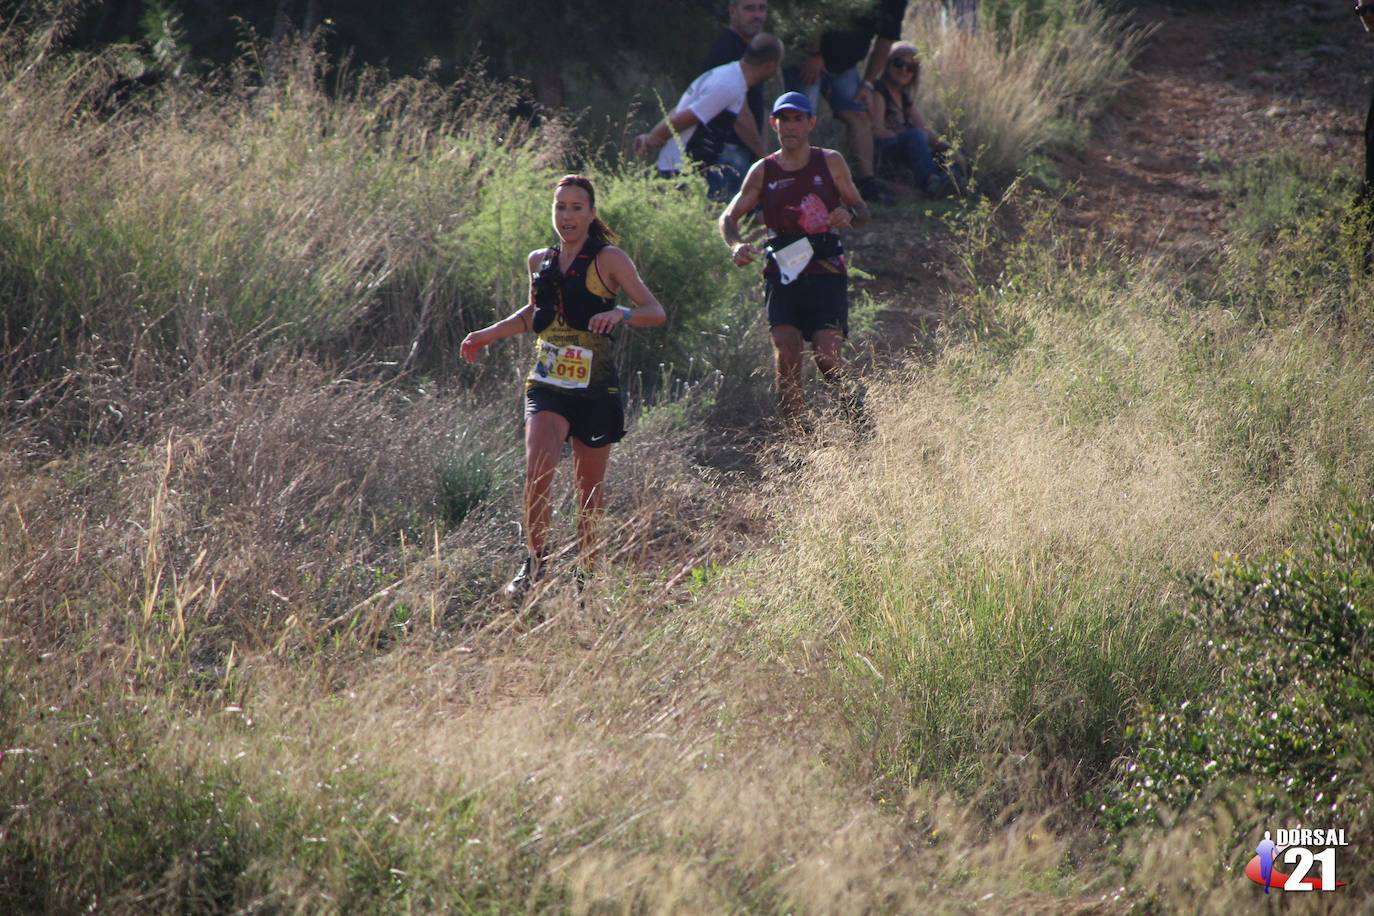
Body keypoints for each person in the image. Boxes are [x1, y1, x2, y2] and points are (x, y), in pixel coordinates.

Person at [460, 175, 667, 599]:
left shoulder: (610, 259)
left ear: (591, 214)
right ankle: (534, 565)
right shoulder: (540, 260)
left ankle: (587, 580)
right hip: (547, 383)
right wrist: (486, 334)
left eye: (576, 208)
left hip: (595, 389)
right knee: (537, 470)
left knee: (588, 492)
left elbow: (655, 311)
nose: (567, 216)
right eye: (560, 207)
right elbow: (534, 315)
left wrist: (622, 315)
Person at [718, 91, 870, 428]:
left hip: (826, 265)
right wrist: (735, 245)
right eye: (783, 119)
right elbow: (729, 216)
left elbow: (862, 210)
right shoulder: (764, 171)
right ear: (773, 124)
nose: (790, 126)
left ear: (810, 123)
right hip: (782, 268)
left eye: (797, 119)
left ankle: (858, 416)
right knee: (786, 353)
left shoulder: (830, 162)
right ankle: (800, 439)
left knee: (826, 355)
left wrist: (848, 213)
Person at [785, 0, 909, 203]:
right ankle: (796, 183)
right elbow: (813, 11)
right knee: (801, 118)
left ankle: (866, 183)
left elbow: (885, 40)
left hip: (844, 65)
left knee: (858, 114)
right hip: (808, 54)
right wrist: (815, 53)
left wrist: (867, 83)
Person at [635, 33, 783, 201]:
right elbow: (685, 117)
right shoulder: (728, 85)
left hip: (693, 170)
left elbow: (742, 121)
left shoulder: (732, 78)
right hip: (682, 170)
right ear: (770, 66)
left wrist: (765, 158)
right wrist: (653, 138)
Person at [869, 42, 964, 198]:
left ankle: (953, 182)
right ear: (888, 63)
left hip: (909, 149)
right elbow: (877, 131)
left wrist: (948, 147)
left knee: (951, 150)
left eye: (911, 67)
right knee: (915, 137)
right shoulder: (878, 91)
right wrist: (905, 135)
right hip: (886, 154)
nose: (904, 70)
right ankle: (931, 182)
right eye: (899, 63)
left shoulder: (905, 97)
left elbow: (925, 130)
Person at [700, 0, 771, 199]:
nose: (757, 15)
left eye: (762, 8)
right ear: (733, 11)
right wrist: (762, 155)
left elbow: (759, 105)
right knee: (729, 223)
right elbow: (739, 114)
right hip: (726, 152)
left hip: (744, 151)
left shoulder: (752, 51)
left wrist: (761, 152)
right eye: (749, 8)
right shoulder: (727, 49)